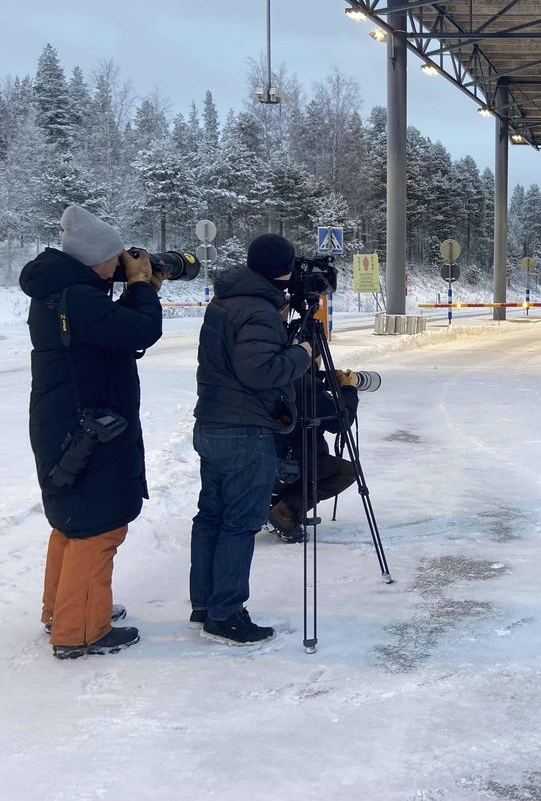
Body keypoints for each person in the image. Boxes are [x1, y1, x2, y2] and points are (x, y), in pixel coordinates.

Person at [21, 205, 163, 659]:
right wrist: (140, 287)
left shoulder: (60, 291)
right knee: (96, 527)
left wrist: (138, 288)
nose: (117, 265)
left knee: (71, 522)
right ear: (95, 258)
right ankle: (80, 630)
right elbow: (141, 330)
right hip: (89, 428)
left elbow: (108, 333)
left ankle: (63, 610)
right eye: (113, 258)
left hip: (66, 422)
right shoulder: (81, 298)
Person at [190, 234, 311, 644]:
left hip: (212, 421)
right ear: (284, 270)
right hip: (244, 428)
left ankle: (205, 605)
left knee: (211, 517)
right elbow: (260, 371)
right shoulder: (258, 310)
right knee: (240, 523)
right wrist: (303, 353)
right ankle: (225, 614)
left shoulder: (227, 299)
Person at [267, 371, 360, 544]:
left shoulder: (268, 374)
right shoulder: (307, 385)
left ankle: (270, 508)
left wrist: (323, 377)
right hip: (296, 460)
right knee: (348, 471)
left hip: (262, 455)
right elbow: (340, 422)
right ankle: (284, 512)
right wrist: (348, 389)